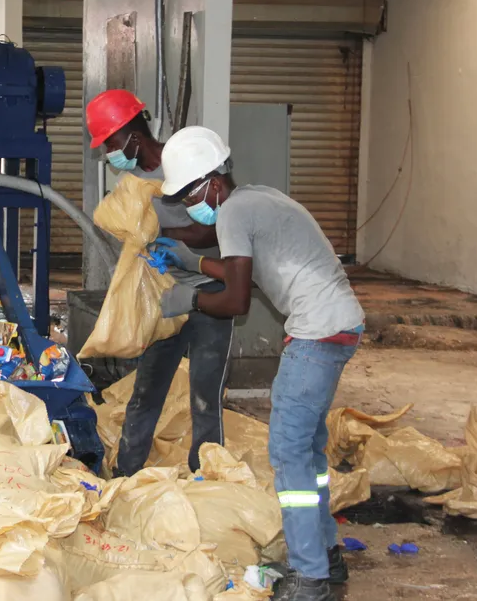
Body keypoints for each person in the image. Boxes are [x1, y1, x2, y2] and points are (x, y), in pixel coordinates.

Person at [156, 126, 366, 601]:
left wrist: (190, 299)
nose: (189, 205)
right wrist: (192, 261)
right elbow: (243, 272)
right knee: (308, 451)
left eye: (189, 195)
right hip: (339, 324)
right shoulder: (257, 199)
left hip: (315, 334)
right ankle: (325, 555)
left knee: (288, 452)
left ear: (213, 182)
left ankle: (310, 577)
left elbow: (236, 300)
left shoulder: (233, 211)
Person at [85, 90, 234, 477]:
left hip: (210, 291)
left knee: (205, 395)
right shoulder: (132, 184)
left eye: (112, 144)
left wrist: (169, 240)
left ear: (134, 136)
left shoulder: (187, 161)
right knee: (147, 389)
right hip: (164, 296)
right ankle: (126, 476)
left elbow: (220, 223)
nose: (110, 154)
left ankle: (207, 478)